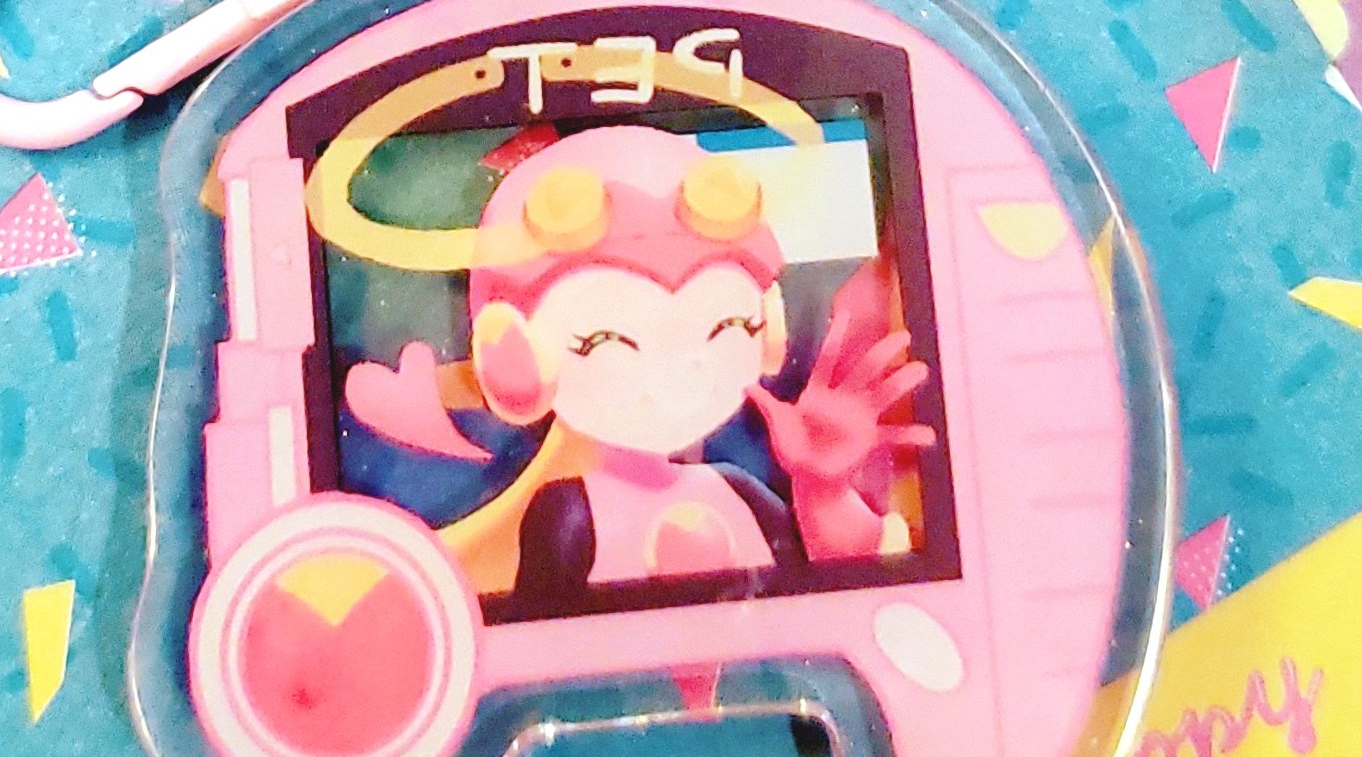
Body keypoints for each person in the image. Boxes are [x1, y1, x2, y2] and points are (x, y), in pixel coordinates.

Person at [344, 126, 932, 613]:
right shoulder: (568, 514)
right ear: (516, 362)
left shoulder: (739, 491)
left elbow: (848, 584)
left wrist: (824, 490)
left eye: (728, 326)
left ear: (767, 330)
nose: (678, 370)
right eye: (605, 340)